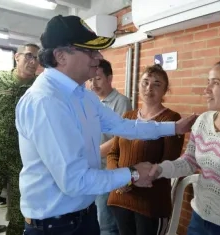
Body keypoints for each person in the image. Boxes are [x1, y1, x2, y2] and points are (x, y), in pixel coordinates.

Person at [15, 15, 196, 235]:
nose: (98, 57)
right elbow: (75, 181)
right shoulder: (46, 102)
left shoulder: (82, 95)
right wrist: (132, 174)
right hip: (56, 225)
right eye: (90, 51)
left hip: (83, 215)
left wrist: (174, 128)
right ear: (61, 56)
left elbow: (124, 125)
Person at [150, 60, 220, 235]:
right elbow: (189, 161)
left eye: (215, 83)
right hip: (199, 218)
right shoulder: (203, 121)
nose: (206, 90)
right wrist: (160, 170)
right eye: (207, 82)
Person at [107, 64, 185, 235]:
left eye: (157, 84)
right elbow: (113, 153)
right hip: (120, 198)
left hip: (150, 202)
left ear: (165, 90)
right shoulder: (128, 116)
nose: (149, 88)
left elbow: (168, 162)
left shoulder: (172, 120)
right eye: (145, 82)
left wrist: (128, 179)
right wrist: (119, 179)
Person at [0, 43, 40, 235]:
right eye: (28, 56)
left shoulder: (40, 86)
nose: (33, 62)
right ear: (17, 57)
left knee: (20, 208)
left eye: (36, 58)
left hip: (24, 158)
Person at [89, 59, 132, 235]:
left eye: (98, 78)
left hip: (107, 168)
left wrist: (96, 152)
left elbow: (121, 138)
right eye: (90, 79)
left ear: (109, 78)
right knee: (92, 217)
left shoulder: (121, 102)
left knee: (105, 222)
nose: (93, 84)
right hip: (90, 168)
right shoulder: (90, 101)